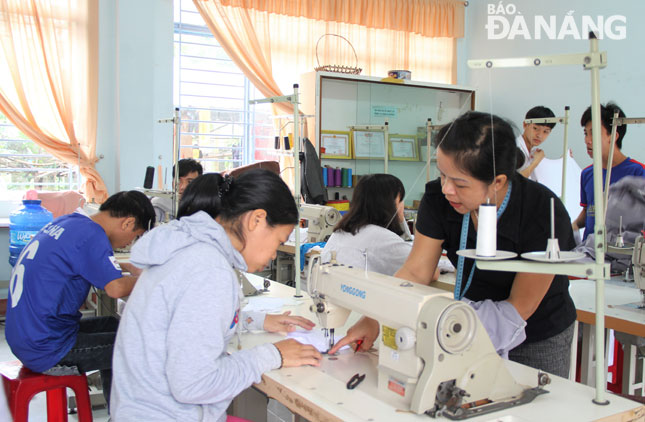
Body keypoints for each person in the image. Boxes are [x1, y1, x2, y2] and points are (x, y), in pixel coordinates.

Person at [330, 111, 577, 378]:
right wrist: (375, 319)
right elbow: (415, 272)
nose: (446, 189)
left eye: (459, 183)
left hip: (535, 334)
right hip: (468, 322)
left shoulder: (542, 212)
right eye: (443, 175)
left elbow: (520, 306)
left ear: (498, 182)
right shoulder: (439, 199)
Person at [111, 170, 322, 421]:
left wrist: (255, 320)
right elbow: (194, 384)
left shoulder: (185, 245)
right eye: (278, 241)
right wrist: (273, 355)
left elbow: (183, 321)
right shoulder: (209, 269)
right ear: (256, 219)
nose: (275, 254)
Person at [5, 191, 155, 406]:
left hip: (26, 337)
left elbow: (77, 257)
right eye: (135, 236)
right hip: (48, 348)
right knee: (132, 343)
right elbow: (115, 289)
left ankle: (119, 409)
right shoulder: (92, 235)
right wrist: (150, 276)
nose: (130, 243)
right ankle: (124, 416)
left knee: (115, 324)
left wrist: (123, 266)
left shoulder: (71, 222)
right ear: (128, 222)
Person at [572, 102, 645, 240]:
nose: (587, 140)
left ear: (613, 136)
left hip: (623, 254)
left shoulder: (638, 173)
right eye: (586, 133)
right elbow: (589, 211)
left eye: (593, 134)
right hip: (589, 253)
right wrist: (573, 225)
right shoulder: (587, 173)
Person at [320, 174, 411, 276]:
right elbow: (419, 265)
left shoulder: (341, 232)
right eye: (400, 200)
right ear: (392, 203)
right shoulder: (382, 238)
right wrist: (400, 216)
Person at [152, 158, 203, 222]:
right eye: (178, 181)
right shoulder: (159, 206)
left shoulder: (204, 208)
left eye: (190, 182)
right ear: (172, 182)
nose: (183, 187)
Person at [516, 106, 556, 181]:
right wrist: (535, 163)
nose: (539, 135)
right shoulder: (514, 148)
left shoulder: (534, 152)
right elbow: (513, 182)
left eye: (545, 131)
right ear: (525, 125)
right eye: (535, 128)